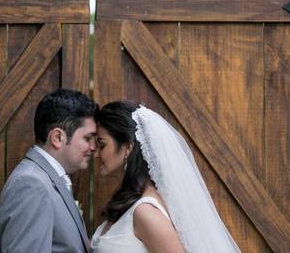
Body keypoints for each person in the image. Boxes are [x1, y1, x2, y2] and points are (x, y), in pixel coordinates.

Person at [91, 101, 240, 253]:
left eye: (102, 145)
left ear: (127, 147)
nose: (95, 154)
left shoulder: (146, 212)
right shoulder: (131, 204)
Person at [0, 89, 99, 253]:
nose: (93, 147)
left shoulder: (44, 179)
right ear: (58, 138)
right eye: (87, 138)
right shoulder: (31, 185)